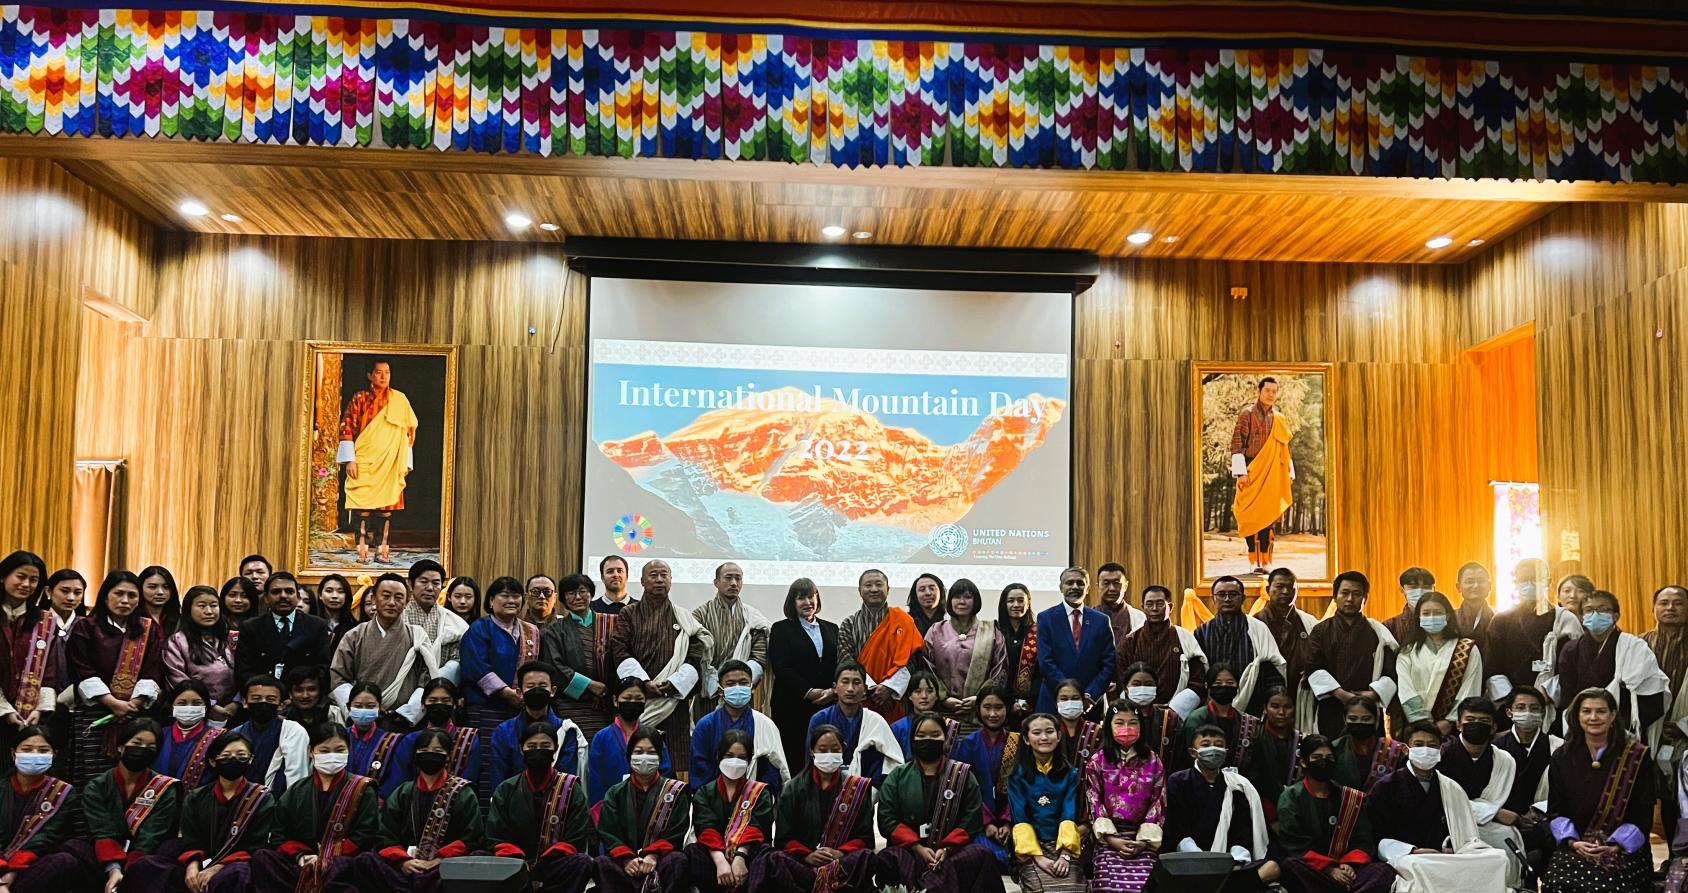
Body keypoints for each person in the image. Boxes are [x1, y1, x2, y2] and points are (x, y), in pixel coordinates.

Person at [1364, 720, 1508, 892]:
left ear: (1440, 750)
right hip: (1408, 857)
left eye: (1432, 746)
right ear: (1405, 749)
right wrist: (1412, 851)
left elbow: (1466, 836)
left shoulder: (1451, 787)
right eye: (1419, 745)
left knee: (1498, 859)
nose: (1426, 750)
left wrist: (1453, 847)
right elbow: (1376, 838)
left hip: (1444, 856)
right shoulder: (1386, 786)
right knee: (1418, 866)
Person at [123, 732, 275, 893]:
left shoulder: (262, 798)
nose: (234, 760)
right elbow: (191, 840)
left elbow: (254, 846)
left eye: (241, 756)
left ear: (250, 759)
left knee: (237, 875)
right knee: (145, 865)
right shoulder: (196, 797)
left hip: (237, 863)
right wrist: (192, 866)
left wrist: (216, 868)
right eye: (226, 756)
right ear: (213, 761)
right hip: (199, 859)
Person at [1540, 687, 1655, 893]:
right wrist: (1573, 842)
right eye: (1586, 711)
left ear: (1612, 716)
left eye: (1601, 711)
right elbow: (1556, 809)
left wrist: (1617, 844)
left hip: (1622, 847)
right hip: (1577, 844)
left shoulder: (1637, 756)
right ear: (1577, 716)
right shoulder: (1562, 756)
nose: (1593, 717)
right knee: (1557, 883)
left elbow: (1643, 812)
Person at [874, 711, 1004, 893]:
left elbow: (972, 819)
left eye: (935, 735)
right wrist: (917, 846)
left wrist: (947, 848)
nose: (928, 740)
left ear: (945, 738)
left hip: (951, 853)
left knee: (982, 855)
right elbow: (887, 819)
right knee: (887, 858)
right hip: (910, 851)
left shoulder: (963, 775)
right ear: (912, 740)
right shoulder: (898, 776)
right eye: (921, 735)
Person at [345, 726, 484, 892]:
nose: (430, 754)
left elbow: (471, 837)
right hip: (407, 866)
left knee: (477, 859)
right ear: (416, 755)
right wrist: (403, 861)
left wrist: (439, 860)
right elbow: (385, 834)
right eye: (424, 750)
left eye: (438, 751)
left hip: (444, 867)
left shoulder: (462, 792)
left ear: (448, 757)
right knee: (365, 860)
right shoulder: (403, 792)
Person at [248, 722, 379, 893]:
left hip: (342, 863)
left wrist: (327, 857)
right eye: (324, 751)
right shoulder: (296, 791)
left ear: (348, 750)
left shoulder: (362, 789)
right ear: (311, 752)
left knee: (350, 867)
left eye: (339, 750)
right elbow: (279, 835)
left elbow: (365, 834)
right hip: (302, 863)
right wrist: (301, 856)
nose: (332, 756)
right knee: (262, 858)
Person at [750, 724, 877, 893]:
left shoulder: (856, 788)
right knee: (774, 858)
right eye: (823, 750)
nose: (829, 754)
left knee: (866, 857)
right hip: (803, 864)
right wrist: (808, 855)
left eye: (835, 750)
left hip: (842, 864)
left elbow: (865, 838)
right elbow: (783, 839)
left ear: (843, 751)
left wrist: (840, 853)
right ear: (812, 752)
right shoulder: (793, 789)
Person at [607, 559, 709, 769]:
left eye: (664, 575)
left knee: (676, 762)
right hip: (639, 700)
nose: (659, 580)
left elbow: (695, 653)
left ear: (671, 580)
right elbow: (619, 649)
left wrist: (676, 683)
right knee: (633, 758)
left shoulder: (683, 617)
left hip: (672, 701)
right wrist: (643, 683)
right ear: (642, 581)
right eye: (653, 575)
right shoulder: (629, 613)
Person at [68, 570, 165, 784]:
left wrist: (133, 704)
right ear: (105, 596)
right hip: (95, 712)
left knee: (133, 774)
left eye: (132, 595)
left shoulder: (148, 630)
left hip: (134, 714)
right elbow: (81, 668)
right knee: (93, 776)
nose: (125, 600)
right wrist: (112, 703)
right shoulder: (87, 626)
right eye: (118, 594)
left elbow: (153, 670)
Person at [1540, 589, 1668, 740]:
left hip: (1623, 730)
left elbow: (1652, 693)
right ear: (1581, 616)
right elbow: (1567, 697)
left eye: (1602, 610)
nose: (1595, 615)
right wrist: (1585, 724)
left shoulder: (1634, 647)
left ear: (1616, 616)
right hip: (1582, 729)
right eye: (1589, 610)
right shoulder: (1571, 649)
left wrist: (1615, 725)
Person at [459, 575, 543, 805]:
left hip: (521, 710)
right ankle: (489, 815)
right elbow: (475, 666)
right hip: (486, 709)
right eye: (504, 595)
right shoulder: (480, 628)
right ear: (491, 600)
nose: (511, 600)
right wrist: (506, 692)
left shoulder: (530, 631)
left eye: (516, 596)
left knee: (519, 761)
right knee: (488, 764)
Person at [1276, 734, 1396, 893]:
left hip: (1348, 870)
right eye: (1317, 757)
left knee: (1383, 870)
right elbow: (1294, 843)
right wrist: (1330, 869)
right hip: (1314, 870)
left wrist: (1348, 864)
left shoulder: (1349, 797)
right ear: (1304, 762)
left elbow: (1363, 839)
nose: (1323, 762)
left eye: (1329, 758)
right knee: (1290, 866)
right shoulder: (1291, 797)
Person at [1164, 723, 1276, 891]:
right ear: (1193, 752)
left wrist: (1235, 861)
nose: (1213, 749)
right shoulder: (1178, 781)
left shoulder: (1237, 786)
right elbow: (1178, 829)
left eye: (1218, 745)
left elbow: (1242, 831)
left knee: (1272, 868)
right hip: (1191, 861)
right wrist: (1202, 861)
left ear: (1226, 751)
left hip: (1228, 864)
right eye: (1206, 744)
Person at [486, 722, 594, 893]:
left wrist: (541, 866)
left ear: (555, 749)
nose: (538, 751)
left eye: (545, 746)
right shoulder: (506, 789)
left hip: (553, 864)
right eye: (531, 746)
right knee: (480, 857)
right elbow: (496, 836)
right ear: (521, 749)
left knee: (582, 862)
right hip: (514, 863)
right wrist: (521, 863)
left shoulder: (571, 788)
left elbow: (576, 836)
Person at [83, 718, 181, 893]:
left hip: (146, 856)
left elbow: (152, 834)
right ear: (120, 747)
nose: (142, 750)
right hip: (106, 857)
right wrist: (114, 869)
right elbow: (102, 830)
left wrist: (129, 871)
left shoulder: (165, 789)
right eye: (137, 743)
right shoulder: (97, 786)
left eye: (150, 748)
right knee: (72, 852)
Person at [336, 356, 418, 562]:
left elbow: (407, 432)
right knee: (362, 507)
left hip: (390, 461)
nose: (383, 377)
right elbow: (347, 426)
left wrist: (405, 461)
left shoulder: (399, 400)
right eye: (379, 373)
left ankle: (382, 549)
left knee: (386, 509)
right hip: (364, 459)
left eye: (387, 372)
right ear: (370, 375)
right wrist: (350, 459)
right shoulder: (360, 398)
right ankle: (362, 550)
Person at [330, 573, 437, 725]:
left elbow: (425, 681)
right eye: (386, 596)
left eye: (399, 597)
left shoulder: (417, 637)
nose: (392, 602)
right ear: (374, 599)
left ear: (407, 602)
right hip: (362, 719)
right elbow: (339, 677)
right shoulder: (354, 636)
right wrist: (359, 709)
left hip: (402, 721)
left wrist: (406, 714)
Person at [595, 727, 691, 893]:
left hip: (659, 860)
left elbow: (676, 831)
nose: (644, 757)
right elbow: (609, 832)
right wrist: (627, 859)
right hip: (625, 863)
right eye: (638, 752)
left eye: (651, 752)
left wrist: (653, 855)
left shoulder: (675, 792)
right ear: (629, 756)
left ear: (660, 757)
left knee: (678, 859)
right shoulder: (615, 793)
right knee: (600, 864)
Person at [1436, 698, 1523, 880]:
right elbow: (1439, 800)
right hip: (1446, 823)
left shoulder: (1504, 760)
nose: (1476, 725)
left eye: (1484, 721)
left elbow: (1509, 802)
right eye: (1470, 720)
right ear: (1458, 725)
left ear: (1493, 727)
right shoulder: (1441, 755)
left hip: (1488, 826)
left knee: (1507, 836)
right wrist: (1494, 812)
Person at [0, 724, 95, 893]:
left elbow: (48, 837)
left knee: (64, 861)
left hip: (28, 865)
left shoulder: (62, 792)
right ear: (13, 753)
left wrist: (12, 872)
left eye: (43, 750)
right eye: (27, 750)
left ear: (54, 754)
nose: (35, 755)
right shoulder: (2, 787)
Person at [1302, 571, 1397, 739]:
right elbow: (1313, 667)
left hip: (1368, 708)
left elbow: (1391, 671)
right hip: (1332, 705)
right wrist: (1342, 695)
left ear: (1365, 598)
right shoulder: (1321, 631)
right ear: (1335, 596)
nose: (1350, 599)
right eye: (1344, 593)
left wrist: (1373, 694)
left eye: (1357, 594)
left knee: (1371, 750)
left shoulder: (1377, 632)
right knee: (1332, 748)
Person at [1083, 702, 1165, 893]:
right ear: (1109, 726)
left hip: (1141, 838)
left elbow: (1158, 801)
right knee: (1107, 885)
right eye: (1119, 723)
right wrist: (1111, 838)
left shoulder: (1153, 761)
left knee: (1147, 885)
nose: (1126, 728)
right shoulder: (1097, 761)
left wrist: (1144, 841)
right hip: (1108, 838)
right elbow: (1093, 799)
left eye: (1133, 723)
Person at [686, 729, 776, 893]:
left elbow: (756, 827)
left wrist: (740, 857)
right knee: (692, 852)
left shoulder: (760, 793)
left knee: (767, 854)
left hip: (748, 859)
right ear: (719, 757)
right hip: (715, 861)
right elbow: (706, 828)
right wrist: (721, 861)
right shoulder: (704, 793)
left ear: (749, 760)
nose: (735, 762)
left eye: (741, 757)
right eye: (729, 756)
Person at [767, 577, 839, 773]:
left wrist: (833, 691)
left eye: (811, 597)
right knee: (795, 760)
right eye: (801, 598)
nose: (807, 602)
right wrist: (809, 691)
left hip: (827, 704)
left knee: (825, 759)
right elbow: (781, 668)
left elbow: (840, 664)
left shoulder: (832, 628)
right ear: (792, 602)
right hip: (792, 707)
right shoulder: (781, 629)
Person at [1009, 712, 1086, 892]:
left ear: (1058, 736)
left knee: (1074, 888)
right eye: (1037, 733)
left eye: (1049, 732)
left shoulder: (1070, 773)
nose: (1044, 737)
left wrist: (1065, 854)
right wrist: (1038, 857)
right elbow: (1020, 817)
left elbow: (1068, 813)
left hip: (1063, 844)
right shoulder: (1017, 775)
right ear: (1026, 739)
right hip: (1030, 847)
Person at [837, 568, 925, 722]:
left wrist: (889, 687)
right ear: (859, 590)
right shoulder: (849, 624)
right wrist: (872, 689)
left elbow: (912, 659)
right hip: (860, 698)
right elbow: (846, 661)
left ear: (888, 589)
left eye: (879, 584)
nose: (874, 589)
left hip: (895, 700)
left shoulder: (904, 621)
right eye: (868, 585)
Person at [1193, 576, 1288, 714]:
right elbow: (1198, 673)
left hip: (1253, 704)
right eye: (1221, 595)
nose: (1227, 599)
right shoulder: (1202, 632)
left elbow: (1272, 669)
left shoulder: (1258, 629)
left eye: (1233, 594)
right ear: (1213, 598)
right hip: (1213, 706)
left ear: (1243, 598)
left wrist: (1272, 702)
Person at [1494, 686, 1560, 881]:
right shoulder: (1495, 748)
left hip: (1545, 822)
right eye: (1521, 707)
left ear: (1542, 712)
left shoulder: (1557, 747)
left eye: (1534, 708)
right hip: (1504, 821)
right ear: (1509, 712)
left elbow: (1565, 791)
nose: (1528, 713)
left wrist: (1540, 813)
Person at [689, 659, 787, 789]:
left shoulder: (765, 725)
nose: (737, 687)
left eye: (743, 683)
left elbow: (775, 768)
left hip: (756, 796)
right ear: (720, 690)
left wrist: (757, 795)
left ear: (751, 687)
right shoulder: (705, 726)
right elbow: (699, 770)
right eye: (730, 684)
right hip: (712, 797)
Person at [1230, 377, 1294, 574]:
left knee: (1268, 517)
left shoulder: (1279, 419)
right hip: (1251, 471)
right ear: (1259, 392)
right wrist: (1241, 472)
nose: (1271, 394)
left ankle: (1266, 562)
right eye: (1267, 390)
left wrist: (1288, 472)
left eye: (1274, 391)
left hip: (1272, 473)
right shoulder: (1247, 414)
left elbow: (1284, 448)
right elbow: (1237, 443)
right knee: (1248, 516)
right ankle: (1253, 560)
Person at [925, 578, 1007, 732]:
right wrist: (943, 698)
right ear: (950, 601)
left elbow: (1000, 669)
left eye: (968, 597)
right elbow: (926, 667)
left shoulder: (991, 631)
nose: (962, 601)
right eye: (957, 597)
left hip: (981, 713)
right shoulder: (936, 630)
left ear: (976, 601)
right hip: (942, 713)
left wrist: (980, 698)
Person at [1395, 590, 1482, 736]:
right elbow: (1405, 689)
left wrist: (1450, 721)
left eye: (1437, 612)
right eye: (1426, 613)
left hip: (1453, 728)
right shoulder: (1407, 652)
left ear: (1447, 615)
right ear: (1418, 618)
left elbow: (1470, 687)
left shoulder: (1467, 649)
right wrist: (1423, 722)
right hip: (1416, 728)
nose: (1432, 617)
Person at [692, 562, 770, 721]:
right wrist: (717, 685)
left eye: (738, 578)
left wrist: (738, 683)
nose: (734, 583)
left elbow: (759, 656)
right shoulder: (700, 615)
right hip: (710, 692)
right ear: (716, 582)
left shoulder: (753, 617)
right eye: (728, 578)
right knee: (708, 731)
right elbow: (694, 654)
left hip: (741, 693)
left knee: (743, 734)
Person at [539, 572, 613, 738]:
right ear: (563, 599)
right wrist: (589, 685)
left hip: (605, 705)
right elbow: (554, 667)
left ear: (591, 594)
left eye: (583, 591)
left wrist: (605, 688)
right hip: (569, 705)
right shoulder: (554, 630)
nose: (578, 597)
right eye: (571, 593)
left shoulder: (608, 624)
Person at [488, 660, 587, 786]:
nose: (537, 690)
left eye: (542, 686)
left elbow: (567, 781)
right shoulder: (503, 732)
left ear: (553, 691)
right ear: (520, 693)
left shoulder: (566, 730)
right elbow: (498, 780)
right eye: (530, 686)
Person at [951, 684, 1018, 865]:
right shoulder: (968, 744)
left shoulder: (1017, 743)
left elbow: (1021, 786)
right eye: (987, 707)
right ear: (978, 709)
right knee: (994, 857)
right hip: (978, 819)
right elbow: (964, 787)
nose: (993, 714)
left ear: (1007, 709)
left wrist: (1007, 822)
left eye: (999, 707)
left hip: (1012, 818)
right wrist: (987, 822)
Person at [233, 571, 332, 691]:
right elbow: (244, 670)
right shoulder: (250, 627)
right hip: (264, 695)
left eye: (289, 591)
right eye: (276, 592)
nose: (283, 596)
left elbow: (323, 667)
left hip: (303, 695)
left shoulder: (317, 626)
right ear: (266, 598)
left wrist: (297, 693)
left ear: (298, 597)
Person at [805, 661, 902, 782]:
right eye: (845, 682)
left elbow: (891, 760)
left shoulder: (875, 721)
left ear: (865, 689)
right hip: (826, 784)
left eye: (856, 683)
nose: (850, 689)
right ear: (834, 688)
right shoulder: (820, 719)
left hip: (866, 786)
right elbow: (810, 762)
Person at [1035, 566, 1114, 713]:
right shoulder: (1046, 618)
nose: (1075, 587)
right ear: (1061, 587)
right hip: (1054, 700)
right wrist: (1069, 694)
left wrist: (1090, 695)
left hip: (1090, 703)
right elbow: (1045, 662)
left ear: (1088, 588)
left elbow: (1109, 664)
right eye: (1069, 583)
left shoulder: (1101, 621)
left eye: (1080, 583)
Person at [1117, 585, 1206, 715]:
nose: (1154, 609)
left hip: (1177, 711)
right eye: (1149, 604)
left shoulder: (1185, 638)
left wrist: (1176, 709)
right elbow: (1121, 679)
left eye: (1160, 604)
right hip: (1137, 711)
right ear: (1143, 607)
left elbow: (1198, 680)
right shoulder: (1130, 641)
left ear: (1170, 606)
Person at [586, 676, 674, 803]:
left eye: (638, 699)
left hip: (649, 804)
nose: (632, 702)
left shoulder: (654, 736)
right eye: (627, 698)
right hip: (611, 806)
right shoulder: (601, 738)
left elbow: (665, 773)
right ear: (615, 700)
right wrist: (602, 809)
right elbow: (595, 780)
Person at [1485, 558, 1563, 701]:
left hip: (1549, 698)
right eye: (1524, 580)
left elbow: (1569, 666)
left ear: (1548, 581)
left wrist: (1542, 697)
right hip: (1510, 701)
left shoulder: (1563, 619)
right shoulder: (1501, 621)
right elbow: (1492, 667)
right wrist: (1512, 700)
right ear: (1515, 583)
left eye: (1535, 579)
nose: (1530, 584)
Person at [1646, 583, 1688, 840]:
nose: (1670, 608)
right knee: (1658, 797)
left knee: (1684, 798)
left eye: (1678, 603)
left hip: (1685, 736)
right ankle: (1672, 857)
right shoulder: (1640, 644)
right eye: (1664, 603)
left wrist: (1683, 726)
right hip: (1650, 735)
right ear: (1654, 608)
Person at [0, 551, 52, 758]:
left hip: (28, 717)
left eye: (33, 580)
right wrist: (5, 710)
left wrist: (39, 709)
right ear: (3, 576)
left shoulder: (44, 621)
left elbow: (49, 670)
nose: (26, 584)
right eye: (21, 577)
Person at [162, 585, 237, 719]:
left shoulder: (230, 638)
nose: (209, 611)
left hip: (234, 710)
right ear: (188, 609)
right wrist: (210, 705)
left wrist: (237, 702)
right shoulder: (177, 642)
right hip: (195, 712)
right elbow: (177, 679)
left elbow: (244, 671)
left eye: (214, 605)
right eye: (202, 606)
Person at [392, 678, 481, 789]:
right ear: (423, 704)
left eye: (445, 701)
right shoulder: (410, 740)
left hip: (457, 797)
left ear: (454, 704)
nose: (439, 705)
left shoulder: (468, 739)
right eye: (433, 700)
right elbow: (398, 781)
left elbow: (470, 779)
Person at [228, 673, 310, 793]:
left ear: (281, 705)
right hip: (241, 798)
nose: (263, 703)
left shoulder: (293, 731)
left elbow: (296, 774)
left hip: (282, 798)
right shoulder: (235, 734)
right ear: (245, 702)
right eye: (256, 698)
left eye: (270, 699)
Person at [1257, 568, 1317, 710]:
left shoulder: (1309, 622)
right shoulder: (1256, 622)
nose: (1285, 591)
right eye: (1279, 587)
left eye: (1290, 587)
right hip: (1265, 690)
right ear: (1268, 590)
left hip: (1301, 690)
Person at [1180, 663, 1259, 770]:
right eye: (1218, 683)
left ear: (1237, 686)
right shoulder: (1196, 719)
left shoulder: (1245, 721)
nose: (1224, 686)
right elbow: (1186, 758)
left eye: (1230, 683)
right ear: (1208, 686)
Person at [400, 559, 466, 681]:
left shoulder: (455, 623)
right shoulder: (396, 619)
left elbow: (457, 662)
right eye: (423, 581)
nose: (430, 588)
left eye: (436, 583)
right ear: (410, 584)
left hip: (440, 686)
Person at [1243, 685, 1301, 824]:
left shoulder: (1300, 741)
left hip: (1293, 810)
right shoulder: (1254, 737)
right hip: (1258, 809)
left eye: (1287, 707)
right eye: (1275, 707)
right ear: (1265, 708)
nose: (1281, 712)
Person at [1330, 694, 1404, 793]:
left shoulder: (1393, 750)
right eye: (1353, 718)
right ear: (1345, 719)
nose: (1359, 722)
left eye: (1366, 719)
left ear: (1376, 720)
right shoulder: (1335, 748)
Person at [1120, 663, 1187, 770]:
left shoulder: (1170, 719)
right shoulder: (1116, 719)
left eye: (1148, 684)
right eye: (1136, 684)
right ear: (1126, 688)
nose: (1142, 689)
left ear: (1156, 687)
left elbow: (1181, 757)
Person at [155, 680, 222, 786]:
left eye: (196, 703)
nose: (189, 707)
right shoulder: (159, 734)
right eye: (182, 703)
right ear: (172, 706)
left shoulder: (218, 738)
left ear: (205, 707)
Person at [344, 682, 406, 796]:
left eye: (370, 706)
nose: (364, 710)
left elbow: (395, 778)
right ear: (349, 707)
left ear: (379, 708)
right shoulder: (339, 736)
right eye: (358, 706)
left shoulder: (393, 741)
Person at [890, 670, 957, 759]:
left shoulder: (949, 726)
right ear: (909, 696)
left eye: (929, 691)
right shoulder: (898, 728)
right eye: (918, 691)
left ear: (937, 696)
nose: (924, 696)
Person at [1096, 563, 1146, 674]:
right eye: (1106, 583)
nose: (1111, 588)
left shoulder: (1140, 618)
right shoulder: (1088, 618)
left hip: (1129, 679)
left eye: (1116, 583)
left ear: (1126, 586)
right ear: (1098, 586)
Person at [999, 582, 1039, 719]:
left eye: (1021, 600)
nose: (1016, 605)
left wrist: (1029, 701)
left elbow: (1042, 671)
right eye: (1011, 601)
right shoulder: (995, 631)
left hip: (1031, 703)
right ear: (1004, 604)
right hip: (1001, 703)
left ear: (1028, 603)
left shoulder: (1039, 632)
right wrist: (1009, 702)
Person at [1452, 562, 1497, 655]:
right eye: (1469, 581)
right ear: (1458, 587)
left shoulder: (1498, 618)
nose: (1476, 585)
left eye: (1481, 581)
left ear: (1489, 586)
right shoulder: (1450, 618)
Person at [1384, 567, 1436, 645]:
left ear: (1433, 589)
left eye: (1426, 587)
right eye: (1414, 587)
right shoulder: (1390, 626)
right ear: (1402, 590)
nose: (1420, 591)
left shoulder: (1443, 621)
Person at [312, 572, 357, 654]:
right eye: (329, 591)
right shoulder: (310, 624)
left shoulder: (355, 628)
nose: (335, 596)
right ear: (320, 595)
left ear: (346, 596)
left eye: (340, 591)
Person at [282, 664, 333, 729]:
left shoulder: (333, 713)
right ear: (290, 694)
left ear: (320, 691)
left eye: (311, 689)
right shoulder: (283, 719)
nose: (305, 696)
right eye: (299, 690)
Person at [135, 565, 181, 631]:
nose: (160, 592)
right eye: (152, 587)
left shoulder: (180, 622)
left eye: (166, 587)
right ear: (140, 588)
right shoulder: (132, 619)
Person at [908, 572, 947, 637]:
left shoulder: (950, 622)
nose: (928, 593)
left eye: (932, 588)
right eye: (922, 589)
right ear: (915, 595)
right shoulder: (906, 622)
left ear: (941, 592)